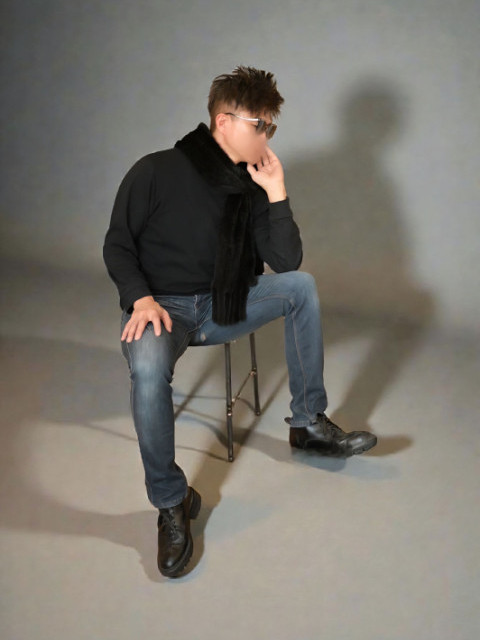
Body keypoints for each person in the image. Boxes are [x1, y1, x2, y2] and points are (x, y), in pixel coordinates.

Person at [103, 66, 377, 578]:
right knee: (147, 369)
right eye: (260, 125)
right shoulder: (155, 170)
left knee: (301, 287)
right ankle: (171, 503)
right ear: (224, 122)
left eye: (271, 126)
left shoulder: (253, 184)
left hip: (224, 304)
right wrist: (139, 299)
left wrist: (276, 191)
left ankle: (308, 424)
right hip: (161, 309)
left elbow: (286, 262)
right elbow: (117, 244)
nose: (267, 136)